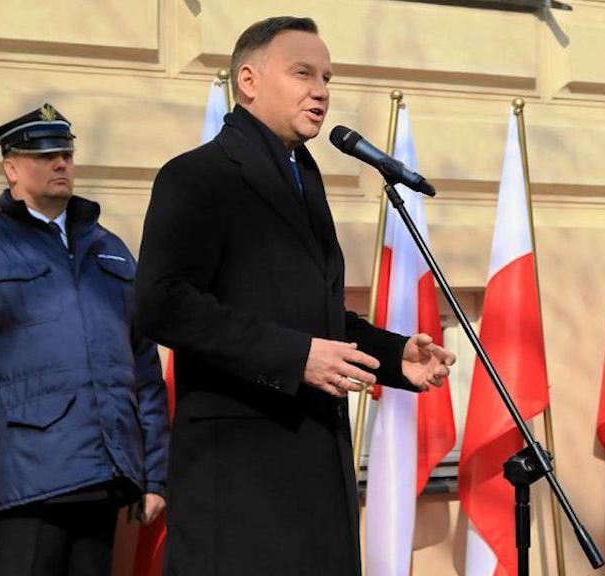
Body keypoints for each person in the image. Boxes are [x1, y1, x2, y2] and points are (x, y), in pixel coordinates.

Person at [133, 16, 455, 576]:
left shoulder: (305, 179)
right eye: (303, 73)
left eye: (327, 78)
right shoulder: (197, 176)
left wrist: (392, 356)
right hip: (240, 480)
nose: (321, 91)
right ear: (249, 81)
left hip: (314, 465)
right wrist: (294, 357)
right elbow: (163, 304)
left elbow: (315, 317)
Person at [0, 104, 169, 575]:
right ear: (11, 168)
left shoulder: (110, 251)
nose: (60, 164)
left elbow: (144, 370)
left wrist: (155, 474)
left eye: (66, 155)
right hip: (22, 487)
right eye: (45, 155)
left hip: (104, 479)